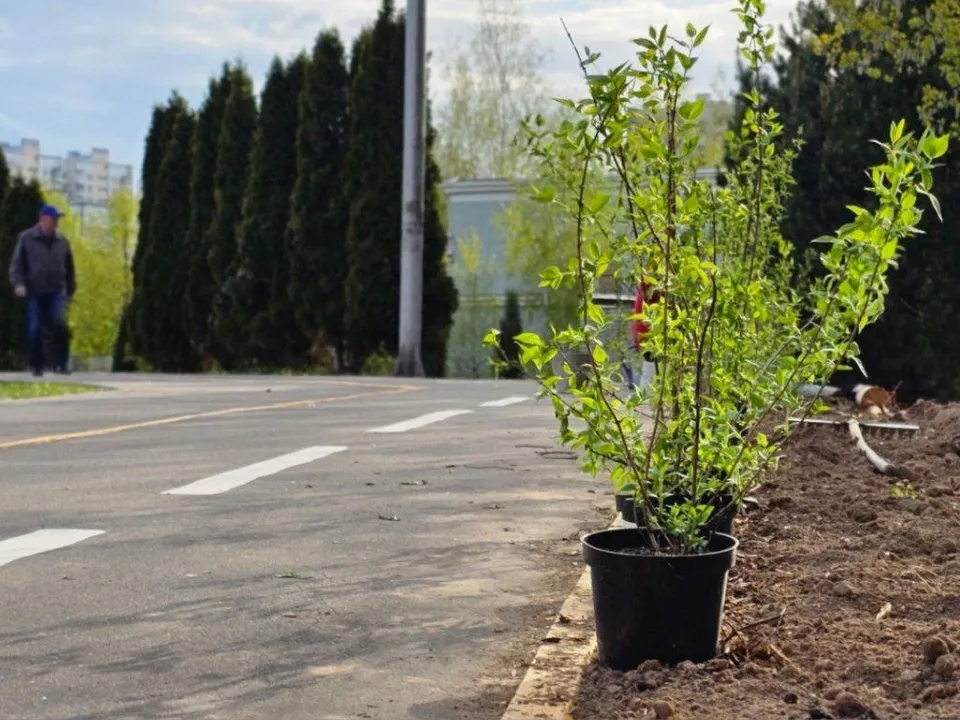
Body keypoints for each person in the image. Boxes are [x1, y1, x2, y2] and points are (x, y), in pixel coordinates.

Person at [8, 204, 76, 376]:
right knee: (35, 329)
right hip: (35, 291)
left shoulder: (62, 241)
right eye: (54, 219)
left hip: (57, 291)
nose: (56, 222)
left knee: (60, 325)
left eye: (57, 219)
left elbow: (70, 269)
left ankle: (61, 363)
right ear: (43, 219)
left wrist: (70, 291)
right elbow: (16, 265)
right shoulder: (27, 238)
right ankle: (36, 365)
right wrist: (18, 284)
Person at [624, 281, 659, 391]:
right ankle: (646, 396)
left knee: (650, 364)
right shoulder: (649, 283)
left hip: (642, 332)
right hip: (647, 333)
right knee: (651, 364)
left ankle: (645, 394)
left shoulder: (646, 283)